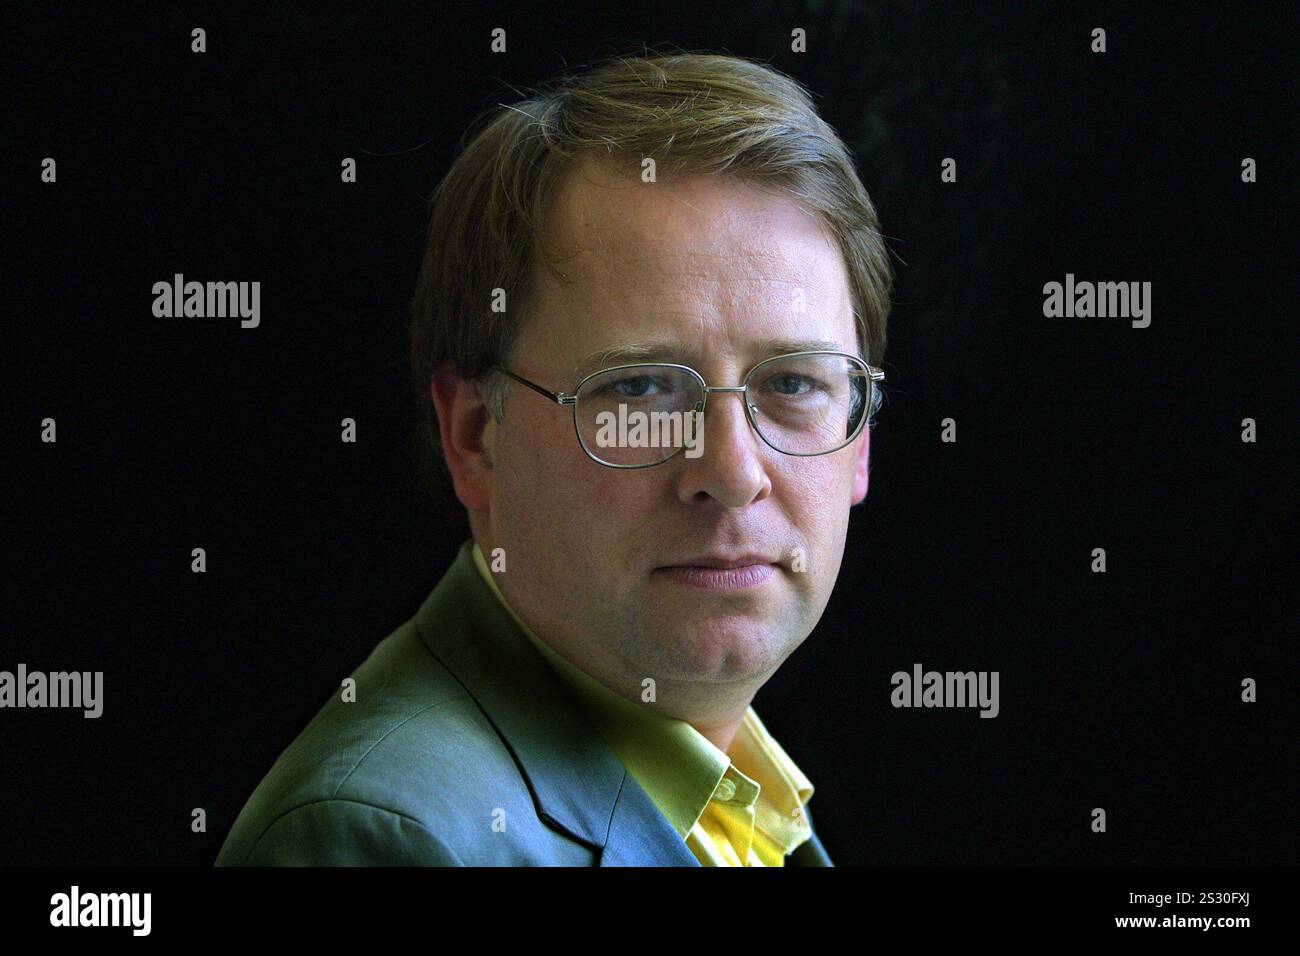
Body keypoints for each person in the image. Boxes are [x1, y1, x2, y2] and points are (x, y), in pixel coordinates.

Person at [216, 50, 891, 867]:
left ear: (858, 442)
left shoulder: (734, 794)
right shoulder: (385, 839)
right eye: (639, 388)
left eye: (792, 382)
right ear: (474, 436)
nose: (734, 471)